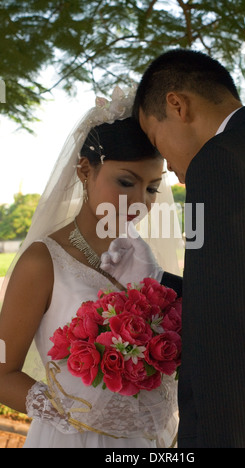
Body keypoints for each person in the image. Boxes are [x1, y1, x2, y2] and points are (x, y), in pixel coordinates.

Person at [100, 50, 245, 448]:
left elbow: (234, 336)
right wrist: (159, 284)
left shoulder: (218, 161)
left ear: (177, 104)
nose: (171, 167)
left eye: (158, 140)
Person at [0, 87, 180, 448]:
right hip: (69, 438)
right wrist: (70, 411)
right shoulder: (43, 261)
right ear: (85, 170)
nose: (139, 202)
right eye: (126, 182)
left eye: (152, 188)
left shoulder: (145, 258)